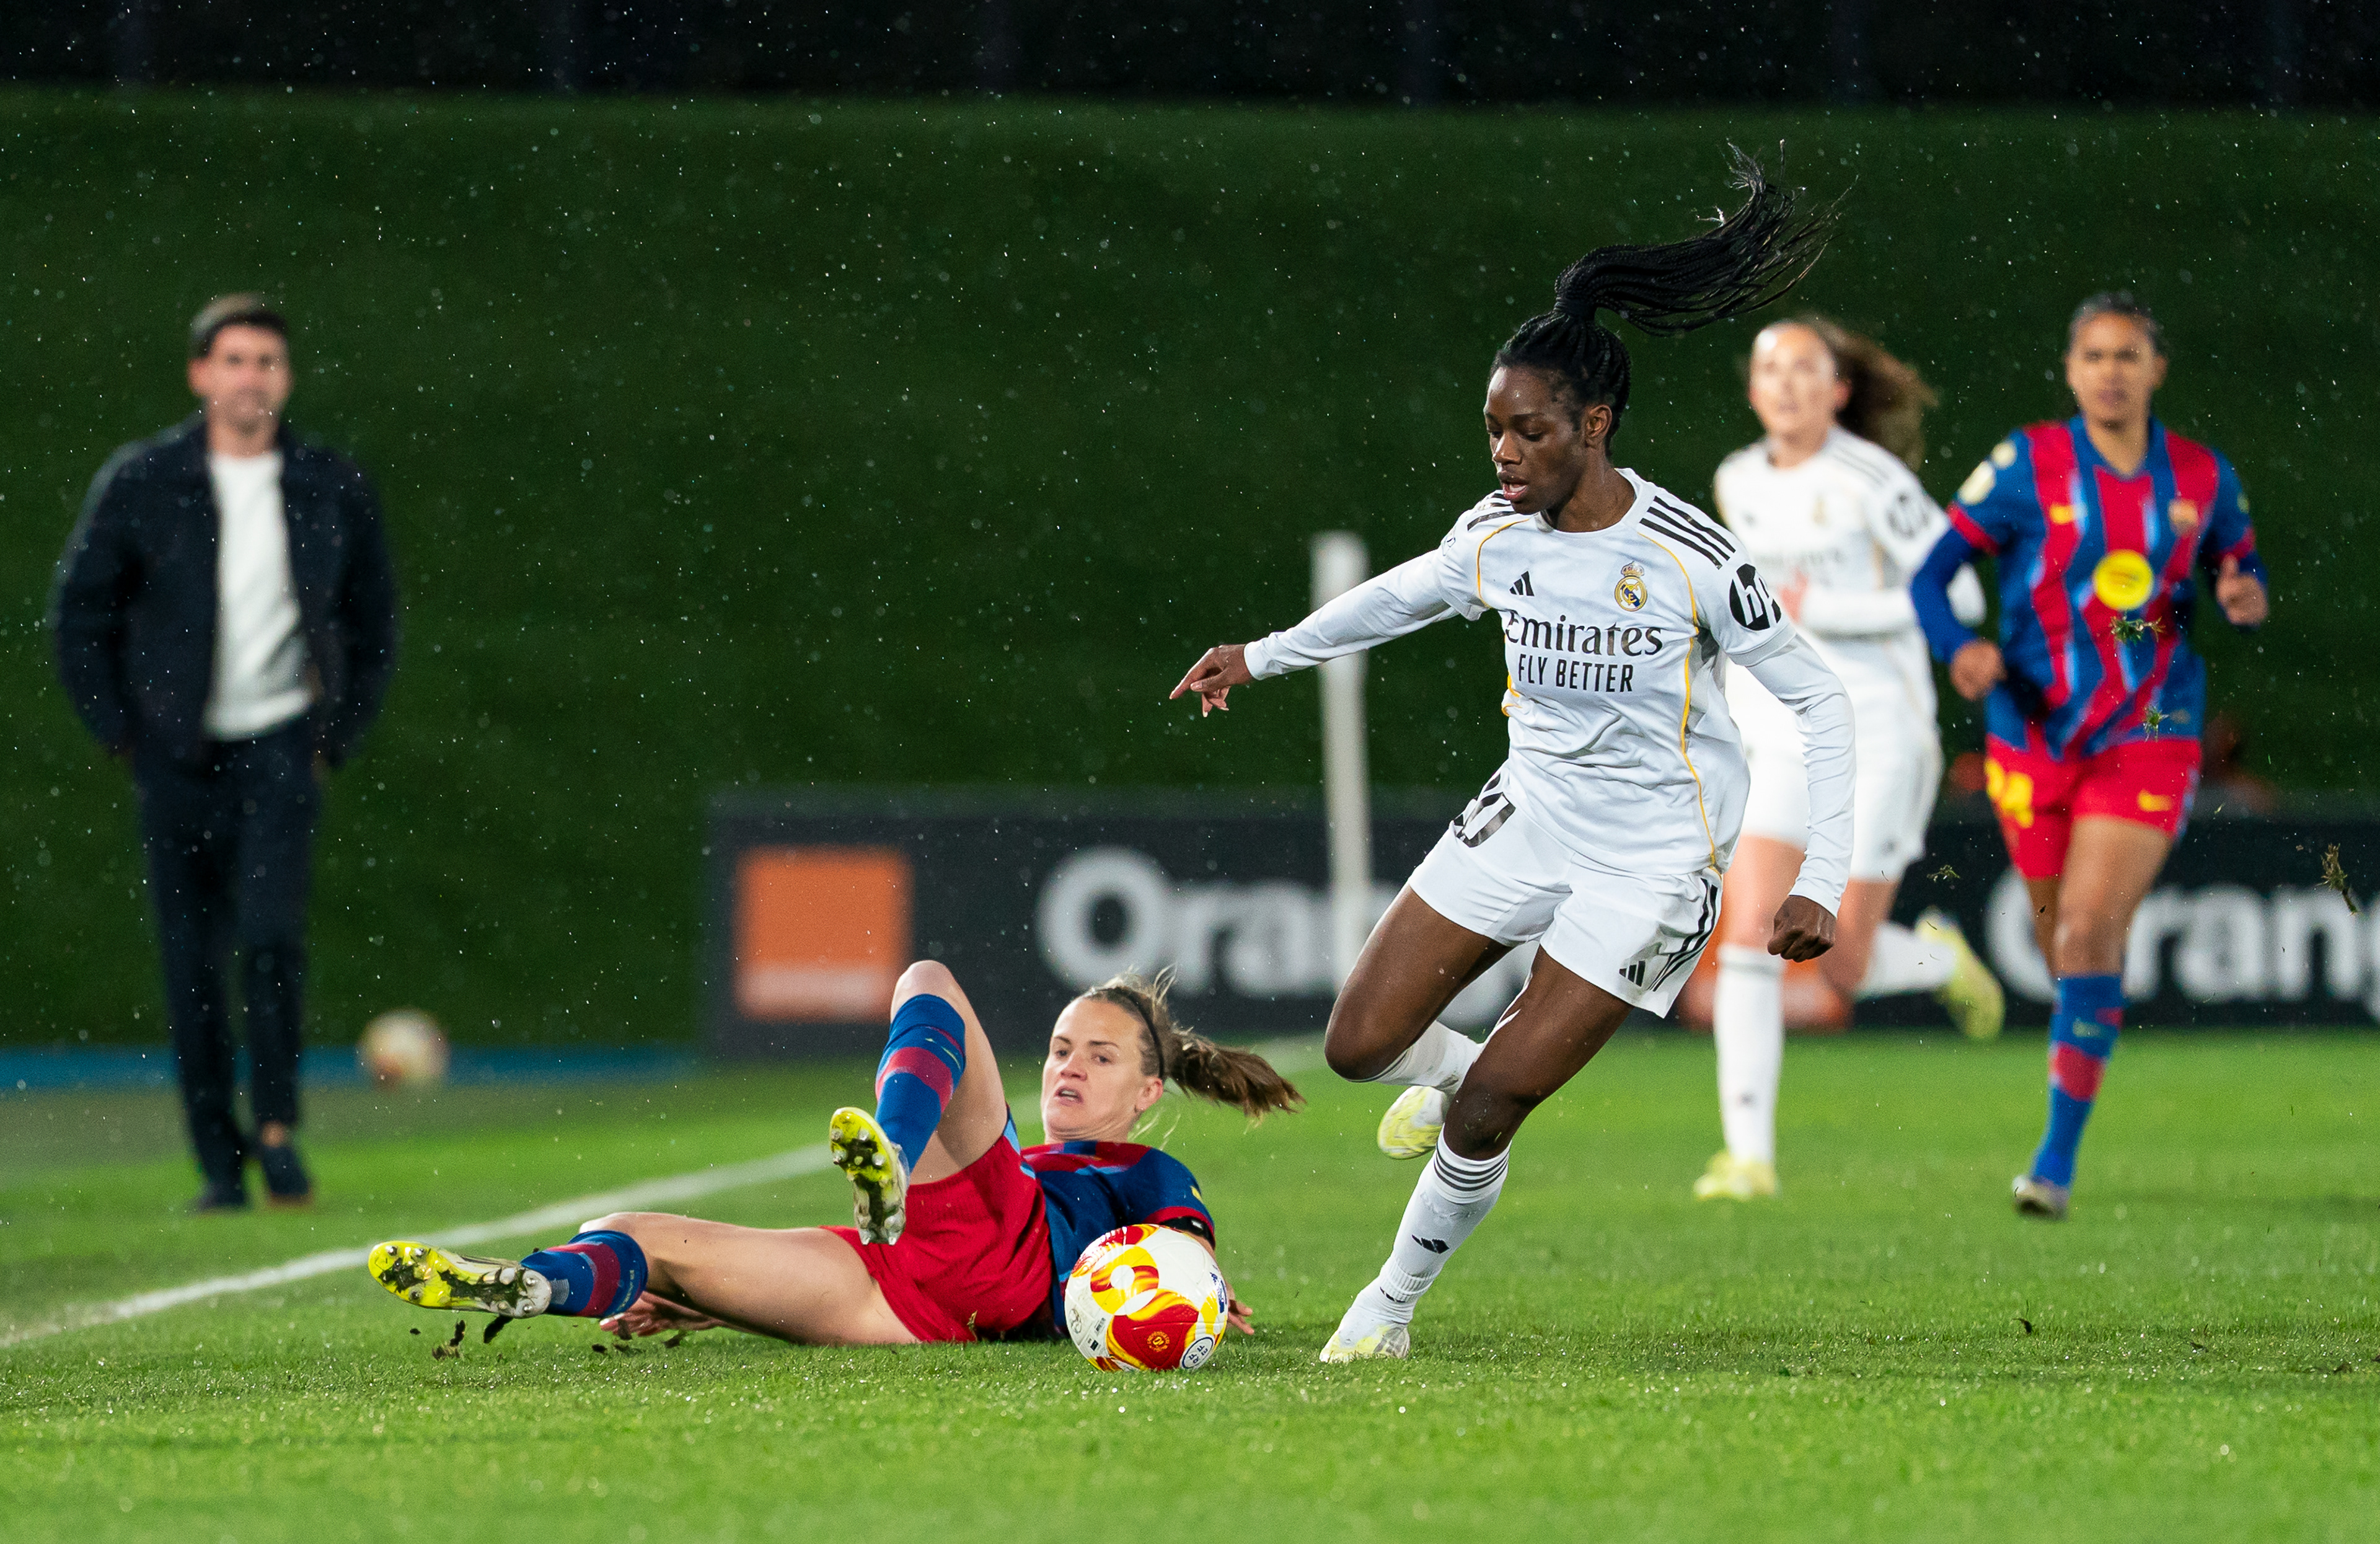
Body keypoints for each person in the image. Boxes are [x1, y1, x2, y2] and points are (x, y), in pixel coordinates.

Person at [1170, 148, 1856, 1361]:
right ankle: (1459, 1081)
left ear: (1594, 426)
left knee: (1489, 1103)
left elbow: (1823, 702)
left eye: (1528, 432)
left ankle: (1387, 1308)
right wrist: (1261, 656)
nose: (1503, 453)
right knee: (1357, 1043)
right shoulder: (1498, 532)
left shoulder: (1692, 557)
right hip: (1530, 813)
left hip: (1655, 861)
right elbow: (1401, 595)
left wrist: (1821, 878)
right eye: (1492, 429)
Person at [366, 962, 1299, 1346]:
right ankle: (530, 1286)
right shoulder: (1032, 1159)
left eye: (1100, 1058)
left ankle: (890, 1155)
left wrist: (1204, 1294)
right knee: (634, 1234)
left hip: (1006, 1252)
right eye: (1060, 1050)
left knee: (928, 980)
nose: (1070, 1069)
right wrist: (706, 1306)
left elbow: (1186, 1256)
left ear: (1147, 1094)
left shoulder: (1136, 1169)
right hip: (903, 1298)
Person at [1910, 291, 2269, 1220]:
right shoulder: (2027, 464)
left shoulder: (2201, 476)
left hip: (2151, 731)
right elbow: (1931, 575)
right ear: (2071, 371)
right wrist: (1961, 648)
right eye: (2095, 356)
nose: (2111, 372)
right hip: (2030, 735)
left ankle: (2053, 1167)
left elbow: (2240, 564)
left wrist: (2244, 594)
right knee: (2062, 951)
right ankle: (2086, 1032)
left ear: (2157, 370)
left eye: (2128, 356)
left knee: (2083, 933)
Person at [50, 294, 399, 1213]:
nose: (252, 378)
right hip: (176, 757)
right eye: (235, 360)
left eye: (268, 362)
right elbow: (79, 614)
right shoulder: (145, 480)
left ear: (288, 378)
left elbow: (374, 621)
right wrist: (122, 732)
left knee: (272, 942)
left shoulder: (329, 483)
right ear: (201, 374)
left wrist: (334, 737)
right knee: (190, 963)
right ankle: (218, 1159)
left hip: (281, 748)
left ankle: (277, 1132)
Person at [1681, 317, 2006, 1202]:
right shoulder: (1738, 480)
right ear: (1753, 391)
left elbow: (1961, 594)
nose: (1787, 385)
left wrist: (1828, 608)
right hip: (1784, 727)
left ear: (1838, 391)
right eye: (1770, 370)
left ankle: (1939, 960)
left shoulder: (1874, 481)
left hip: (1878, 729)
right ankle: (1748, 1157)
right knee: (1752, 934)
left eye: (1806, 370)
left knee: (1838, 965)